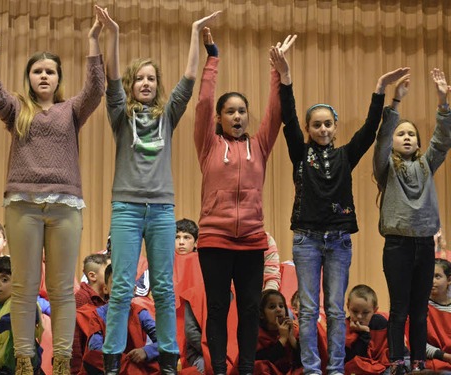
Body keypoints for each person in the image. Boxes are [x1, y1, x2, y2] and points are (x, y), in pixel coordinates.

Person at [0, 6, 106, 374]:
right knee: (24, 287)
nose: (44, 76)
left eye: (50, 71)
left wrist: (93, 41)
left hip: (66, 206)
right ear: (29, 77)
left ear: (58, 77)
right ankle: (22, 359)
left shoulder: (70, 110)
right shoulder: (18, 109)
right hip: (23, 206)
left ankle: (62, 360)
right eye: (37, 71)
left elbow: (96, 88)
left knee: (64, 290)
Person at [94, 8, 220, 374]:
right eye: (140, 79)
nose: (146, 84)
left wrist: (196, 33)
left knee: (164, 290)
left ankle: (168, 361)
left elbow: (190, 78)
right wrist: (113, 34)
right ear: (132, 85)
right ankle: (112, 362)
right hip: (127, 209)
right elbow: (112, 78)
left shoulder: (167, 115)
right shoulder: (120, 115)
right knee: (121, 290)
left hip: (162, 209)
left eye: (151, 79)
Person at [280, 40, 409, 374]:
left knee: (335, 310)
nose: (322, 128)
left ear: (335, 127)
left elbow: (370, 130)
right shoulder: (300, 153)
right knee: (309, 310)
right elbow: (289, 118)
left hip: (338, 240)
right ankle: (312, 369)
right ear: (309, 130)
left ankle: (335, 369)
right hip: (307, 239)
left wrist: (380, 89)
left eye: (328, 124)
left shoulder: (345, 155)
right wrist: (286, 78)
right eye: (316, 124)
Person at [194, 25, 295, 374]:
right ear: (220, 119)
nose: (237, 116)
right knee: (219, 307)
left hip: (252, 240)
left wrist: (277, 73)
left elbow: (276, 112)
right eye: (230, 112)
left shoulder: (260, 146)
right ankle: (220, 368)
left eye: (242, 111)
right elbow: (204, 102)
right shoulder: (208, 145)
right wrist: (213, 59)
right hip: (215, 240)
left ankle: (247, 368)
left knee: (251, 309)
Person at [373, 68, 451, 374]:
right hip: (397, 245)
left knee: (420, 311)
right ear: (393, 141)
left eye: (411, 134)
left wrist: (443, 101)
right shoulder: (386, 169)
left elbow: (443, 140)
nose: (406, 137)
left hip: (423, 244)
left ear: (418, 144)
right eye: (401, 133)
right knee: (399, 309)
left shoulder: (426, 163)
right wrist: (395, 103)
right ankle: (397, 362)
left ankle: (419, 362)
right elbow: (380, 141)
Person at [76, 264, 160, 375]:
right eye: (116, 284)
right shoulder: (98, 315)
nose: (121, 290)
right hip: (112, 366)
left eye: (126, 285)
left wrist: (146, 351)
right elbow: (96, 348)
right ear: (106, 289)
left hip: (136, 362)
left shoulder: (140, 312)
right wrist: (123, 360)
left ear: (134, 290)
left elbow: (163, 341)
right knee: (92, 356)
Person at [344, 285, 389, 375]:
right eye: (355, 311)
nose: (359, 317)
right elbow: (354, 362)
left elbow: (388, 354)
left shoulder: (381, 323)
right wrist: (364, 332)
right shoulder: (344, 328)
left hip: (381, 368)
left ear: (375, 310)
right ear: (348, 306)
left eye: (365, 313)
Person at [255, 290, 301, 375]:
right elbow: (263, 361)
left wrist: (291, 339)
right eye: (272, 307)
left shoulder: (294, 329)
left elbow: (302, 360)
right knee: (260, 366)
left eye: (281, 306)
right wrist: (283, 339)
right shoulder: (257, 335)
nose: (279, 309)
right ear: (261, 314)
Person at [426, 258, 451, 370]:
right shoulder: (419, 308)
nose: (432, 281)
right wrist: (446, 357)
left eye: (437, 276)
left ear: (449, 280)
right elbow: (418, 344)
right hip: (433, 363)